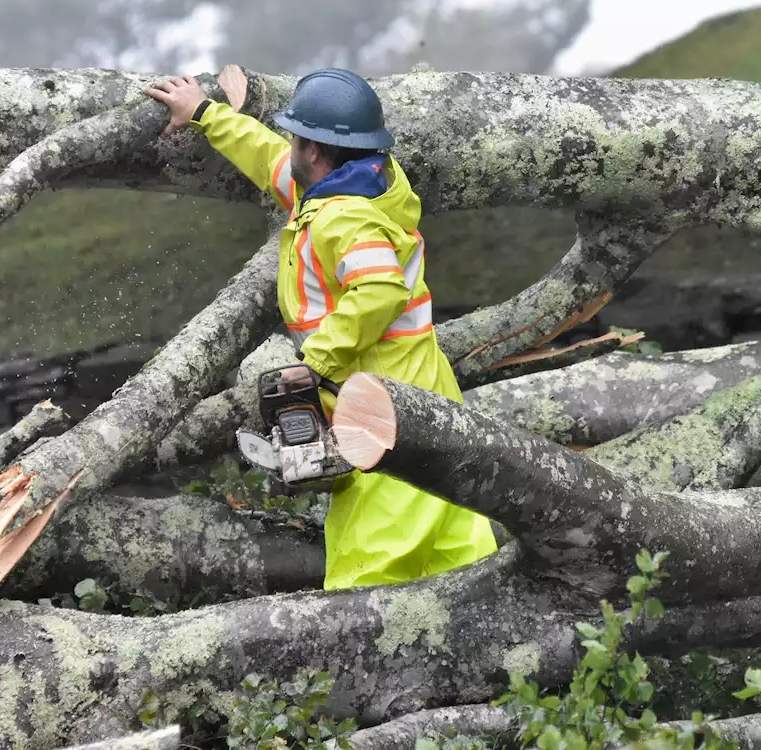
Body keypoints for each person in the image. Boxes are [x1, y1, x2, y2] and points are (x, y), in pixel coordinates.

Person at [144, 68, 498, 590]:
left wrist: (314, 365)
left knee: (372, 558)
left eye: (295, 138)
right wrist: (205, 113)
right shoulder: (364, 183)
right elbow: (269, 160)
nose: (288, 147)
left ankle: (365, 654)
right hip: (425, 384)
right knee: (455, 532)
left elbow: (379, 290)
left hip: (378, 400)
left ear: (313, 150)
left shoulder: (343, 220)